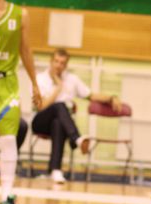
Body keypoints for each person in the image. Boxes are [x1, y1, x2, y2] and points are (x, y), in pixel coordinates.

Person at [0, 0, 42, 204]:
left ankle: (5, 197)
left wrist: (35, 83)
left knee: (9, 139)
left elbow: (26, 51)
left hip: (7, 85)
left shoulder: (20, 14)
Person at [32, 48, 121, 184]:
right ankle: (77, 139)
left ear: (66, 65)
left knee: (58, 123)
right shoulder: (40, 79)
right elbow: (41, 106)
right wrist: (58, 87)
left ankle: (55, 170)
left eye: (62, 63)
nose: (58, 65)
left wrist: (111, 97)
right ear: (51, 61)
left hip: (61, 124)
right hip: (40, 121)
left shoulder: (72, 79)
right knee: (59, 106)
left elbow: (91, 95)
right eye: (56, 61)